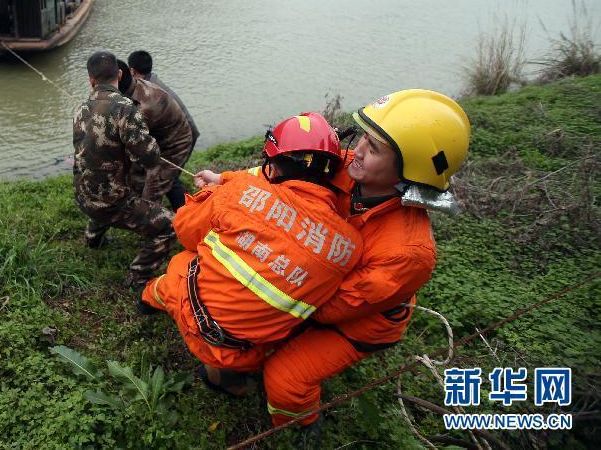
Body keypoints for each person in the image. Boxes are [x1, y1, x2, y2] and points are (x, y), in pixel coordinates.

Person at [260, 90, 471, 428]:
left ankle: (299, 425)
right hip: (315, 285)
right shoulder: (346, 169)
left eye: (373, 149)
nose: (354, 151)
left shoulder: (408, 252)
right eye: (362, 138)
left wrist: (276, 295)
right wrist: (225, 181)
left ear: (408, 171)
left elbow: (336, 308)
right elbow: (284, 173)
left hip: (358, 320)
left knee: (285, 380)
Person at [139, 113, 363, 394]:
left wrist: (217, 201)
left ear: (276, 167)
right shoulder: (349, 247)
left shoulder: (242, 192)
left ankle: (146, 301)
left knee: (182, 265)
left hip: (195, 317)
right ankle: (228, 379)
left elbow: (186, 230)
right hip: (249, 351)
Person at [72, 51, 176, 287]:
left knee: (101, 179)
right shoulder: (126, 108)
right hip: (111, 203)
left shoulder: (80, 109)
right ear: (120, 74)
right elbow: (150, 158)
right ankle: (137, 276)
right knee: (169, 226)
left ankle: (93, 239)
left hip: (82, 195)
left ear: (90, 80)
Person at [127, 50, 200, 210]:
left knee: (169, 178)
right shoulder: (150, 82)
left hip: (184, 138)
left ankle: (184, 217)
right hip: (180, 134)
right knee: (164, 177)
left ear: (132, 71)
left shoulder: (150, 91)